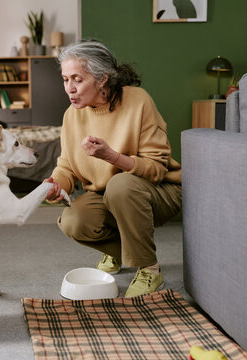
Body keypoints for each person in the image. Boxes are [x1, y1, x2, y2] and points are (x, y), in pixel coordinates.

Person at [45, 40, 182, 297]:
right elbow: (66, 166)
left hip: (159, 191)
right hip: (108, 195)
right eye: (65, 79)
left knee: (120, 185)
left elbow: (156, 169)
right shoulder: (71, 115)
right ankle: (117, 252)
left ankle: (149, 269)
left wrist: (111, 156)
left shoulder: (138, 101)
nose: (69, 89)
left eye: (77, 79)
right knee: (74, 220)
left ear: (101, 79)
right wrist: (56, 184)